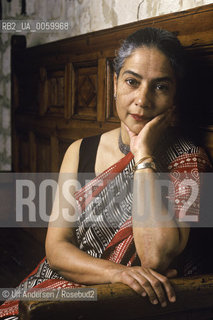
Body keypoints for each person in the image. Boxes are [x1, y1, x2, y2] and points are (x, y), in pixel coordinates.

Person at [0, 27, 212, 319]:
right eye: (132, 82)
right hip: (68, 287)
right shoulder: (80, 151)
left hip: (133, 304)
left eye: (161, 87)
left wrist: (143, 156)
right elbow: (57, 248)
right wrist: (118, 274)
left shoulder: (189, 160)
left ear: (175, 96)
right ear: (114, 83)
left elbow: (156, 257)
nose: (143, 99)